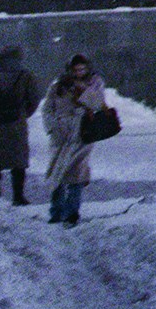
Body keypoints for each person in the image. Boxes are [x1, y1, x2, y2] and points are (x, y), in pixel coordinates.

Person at [41, 54, 111, 225]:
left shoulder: (94, 83)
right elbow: (47, 108)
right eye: (76, 69)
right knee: (57, 174)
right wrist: (52, 127)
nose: (79, 73)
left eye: (82, 69)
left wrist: (83, 91)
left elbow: (99, 104)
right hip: (60, 135)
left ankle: (72, 212)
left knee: (77, 174)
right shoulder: (59, 86)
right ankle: (56, 212)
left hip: (82, 134)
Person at [0, 47, 37, 205]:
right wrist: (22, 114)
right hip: (16, 124)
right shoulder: (25, 76)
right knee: (18, 162)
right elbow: (33, 100)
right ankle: (18, 196)